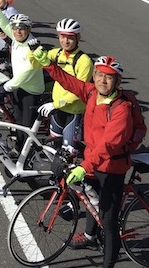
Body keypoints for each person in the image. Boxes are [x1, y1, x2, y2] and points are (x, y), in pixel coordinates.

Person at [32, 49, 138, 268]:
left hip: (112, 166)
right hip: (92, 159)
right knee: (89, 198)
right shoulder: (91, 93)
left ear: (117, 82)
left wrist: (85, 165)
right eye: (99, 75)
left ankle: (108, 262)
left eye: (109, 77)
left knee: (109, 223)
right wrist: (48, 65)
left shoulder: (121, 109)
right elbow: (69, 81)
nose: (102, 80)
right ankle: (90, 236)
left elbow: (108, 145)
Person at [0, 10, 45, 152]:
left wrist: (7, 87)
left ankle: (26, 157)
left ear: (29, 29)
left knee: (26, 126)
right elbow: (2, 21)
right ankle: (19, 149)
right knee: (18, 122)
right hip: (18, 88)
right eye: (15, 28)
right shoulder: (16, 39)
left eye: (22, 28)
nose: (18, 31)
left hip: (31, 91)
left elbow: (27, 72)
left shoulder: (33, 47)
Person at [37, 18, 93, 154]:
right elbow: (38, 58)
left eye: (70, 38)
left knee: (69, 152)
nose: (65, 41)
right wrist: (31, 47)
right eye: (62, 36)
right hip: (57, 110)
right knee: (53, 149)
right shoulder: (57, 53)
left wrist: (56, 104)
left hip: (73, 112)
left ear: (77, 37)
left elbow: (79, 91)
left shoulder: (84, 61)